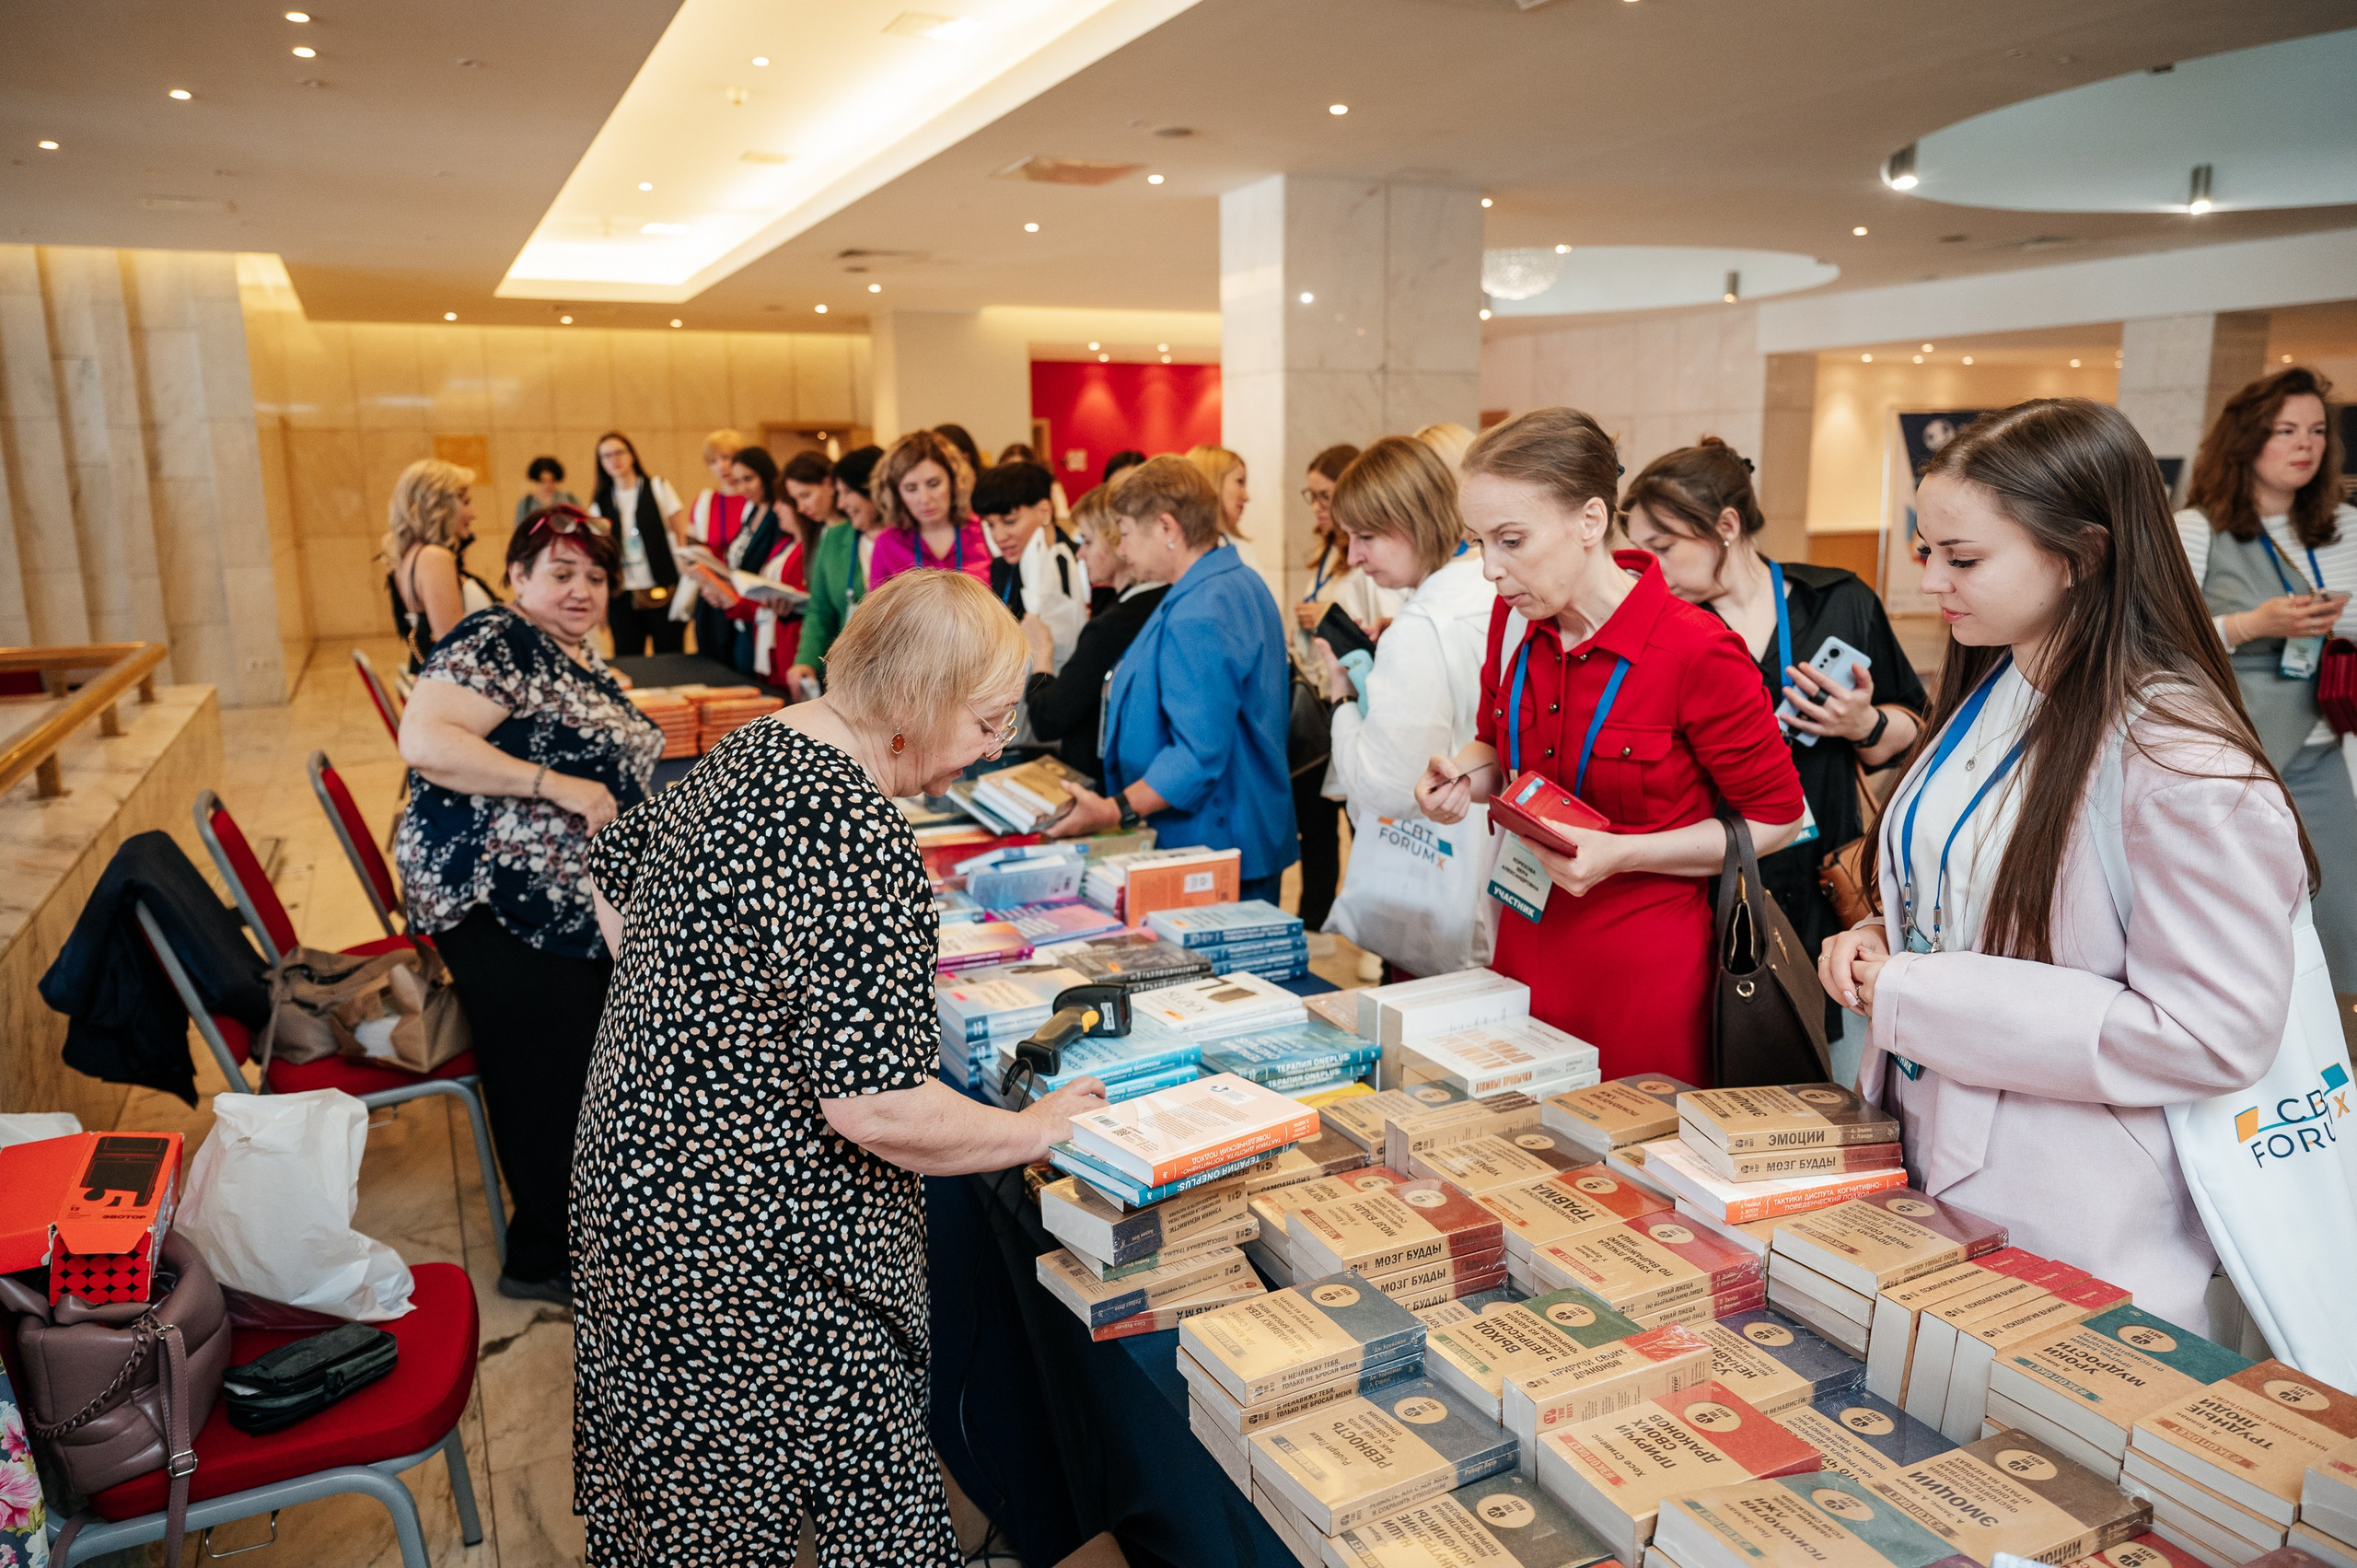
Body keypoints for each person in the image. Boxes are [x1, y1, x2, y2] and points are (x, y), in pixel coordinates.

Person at [573, 570, 1109, 1564]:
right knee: (862, 1501)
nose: (996, 746)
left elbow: (612, 871)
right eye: (987, 719)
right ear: (913, 701)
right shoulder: (853, 830)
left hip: (642, 1190)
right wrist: (1040, 1130)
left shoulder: (762, 742)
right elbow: (876, 1106)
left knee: (696, 1499)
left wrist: (707, 1018)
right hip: (754, 1252)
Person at [1819, 398, 2312, 1333]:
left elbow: (2211, 1031)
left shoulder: (2177, 756)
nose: (1931, 582)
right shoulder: (2002, 678)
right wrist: (1884, 935)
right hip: (1933, 1148)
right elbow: (1968, 889)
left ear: (2080, 554)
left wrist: (1917, 987)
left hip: (2068, 1200)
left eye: (1962, 559)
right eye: (1929, 551)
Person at [1414, 408, 1805, 1085]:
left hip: (1643, 971)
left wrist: (1626, 852)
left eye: (1510, 540)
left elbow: (1779, 818)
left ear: (1591, 521)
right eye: (1477, 542)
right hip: (1522, 941)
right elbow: (1497, 747)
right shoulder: (1514, 621)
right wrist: (1462, 776)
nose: (1490, 570)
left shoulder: (1696, 649)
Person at [394, 505, 661, 1303]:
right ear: (517, 577)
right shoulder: (495, 640)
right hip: (500, 901)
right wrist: (558, 785)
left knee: (577, 1066)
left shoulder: (561, 647)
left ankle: (583, 1226)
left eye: (595, 575)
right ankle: (544, 1256)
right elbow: (426, 739)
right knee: (547, 1076)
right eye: (561, 573)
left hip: (555, 898)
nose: (581, 589)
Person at [1621, 437, 1927, 1029]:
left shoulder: (1839, 601)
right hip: (1707, 887)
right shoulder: (1662, 629)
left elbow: (1918, 728)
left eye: (1662, 547)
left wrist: (1865, 724)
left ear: (1727, 526)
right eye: (1637, 551)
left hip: (1822, 884)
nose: (1649, 569)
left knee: (1822, 1065)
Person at [2176, 366, 2357, 987]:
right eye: (2286, 430)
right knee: (2240, 918)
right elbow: (2162, 639)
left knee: (2340, 914)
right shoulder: (2197, 529)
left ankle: (2335, 1063)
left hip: (2322, 748)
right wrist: (2253, 624)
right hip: (2234, 755)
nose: (2307, 445)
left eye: (2316, 431)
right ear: (2247, 441)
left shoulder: (2345, 528)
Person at [1046, 457, 1297, 902]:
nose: (1121, 549)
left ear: (1167, 528)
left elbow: (1197, 756)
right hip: (1235, 830)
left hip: (1213, 839)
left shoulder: (1201, 608)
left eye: (1125, 532)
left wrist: (1112, 810)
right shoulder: (1233, 580)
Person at [1314, 436, 1496, 971]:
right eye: (1347, 537)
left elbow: (1384, 786)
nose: (1355, 557)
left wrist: (1342, 698)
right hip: (1499, 874)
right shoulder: (1490, 586)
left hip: (1446, 893)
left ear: (1415, 521)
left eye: (1367, 536)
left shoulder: (1422, 626)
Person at [1021, 485, 1167, 783]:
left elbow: (1049, 718)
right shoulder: (1162, 599)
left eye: (1087, 541)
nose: (1080, 553)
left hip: (1101, 782)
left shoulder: (1116, 623)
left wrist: (1042, 655)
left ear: (1118, 541)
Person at [386, 458, 500, 671]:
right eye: (466, 502)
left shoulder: (413, 554)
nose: (473, 514)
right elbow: (454, 649)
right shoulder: (434, 557)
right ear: (441, 505)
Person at [787, 445, 884, 694]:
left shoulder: (909, 543)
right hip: (852, 675)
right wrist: (805, 661)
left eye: (846, 492)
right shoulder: (835, 538)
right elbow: (820, 610)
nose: (840, 503)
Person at [976, 459, 1087, 668]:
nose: (999, 536)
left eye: (1009, 521)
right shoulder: (1002, 568)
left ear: (1045, 511)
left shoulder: (1080, 562)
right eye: (990, 525)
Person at [709, 447, 807, 685]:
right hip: (755, 618)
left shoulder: (783, 529)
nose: (743, 488)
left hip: (776, 626)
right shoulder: (752, 512)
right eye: (738, 481)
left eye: (749, 479)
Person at [588, 431, 688, 656]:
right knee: (628, 657)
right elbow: (599, 555)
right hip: (622, 595)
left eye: (619, 452)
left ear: (632, 455)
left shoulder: (658, 487)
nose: (614, 460)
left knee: (671, 656)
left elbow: (680, 534)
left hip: (662, 588)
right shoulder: (599, 503)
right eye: (606, 456)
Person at [866, 430, 989, 587]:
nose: (924, 499)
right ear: (896, 494)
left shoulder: (982, 532)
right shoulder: (887, 543)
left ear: (954, 482)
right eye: (911, 488)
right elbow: (879, 609)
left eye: (933, 484)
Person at [686, 430, 748, 660]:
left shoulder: (753, 501)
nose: (721, 466)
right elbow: (692, 547)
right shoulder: (705, 502)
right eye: (713, 461)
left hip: (744, 593)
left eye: (727, 458)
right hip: (712, 593)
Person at [1186, 445, 1256, 570]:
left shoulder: (1241, 549)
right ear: (1212, 482)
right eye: (1240, 482)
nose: (1246, 497)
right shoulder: (1183, 555)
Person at [514, 455, 580, 528]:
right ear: (537, 480)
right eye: (543, 481)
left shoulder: (570, 499)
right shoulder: (526, 503)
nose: (548, 485)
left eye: (551, 480)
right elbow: (519, 531)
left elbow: (581, 524)